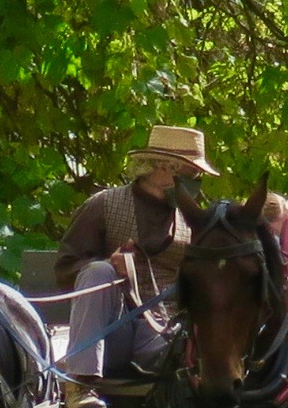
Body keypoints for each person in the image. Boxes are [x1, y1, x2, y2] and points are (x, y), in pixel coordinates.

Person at [52, 124, 216, 376]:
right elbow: (65, 269)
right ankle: (82, 384)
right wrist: (111, 263)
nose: (196, 181)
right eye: (191, 172)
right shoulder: (103, 205)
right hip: (112, 331)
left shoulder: (193, 217)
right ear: (162, 167)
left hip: (166, 332)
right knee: (98, 271)